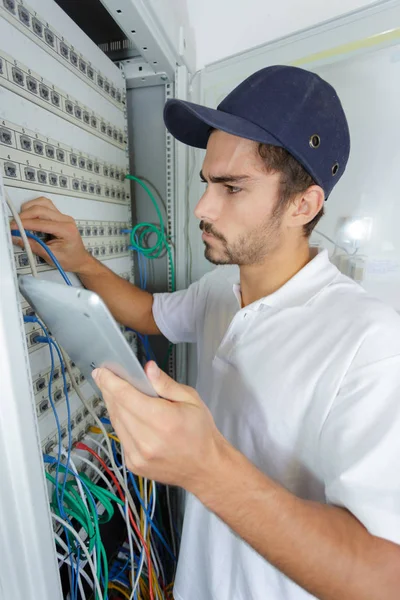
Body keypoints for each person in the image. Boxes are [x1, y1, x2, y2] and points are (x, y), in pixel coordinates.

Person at [12, 65, 400, 600]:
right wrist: (80, 259)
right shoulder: (222, 290)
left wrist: (205, 468)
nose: (202, 208)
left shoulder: (371, 343)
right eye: (206, 183)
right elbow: (150, 314)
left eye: (231, 188)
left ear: (303, 204)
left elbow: (384, 579)